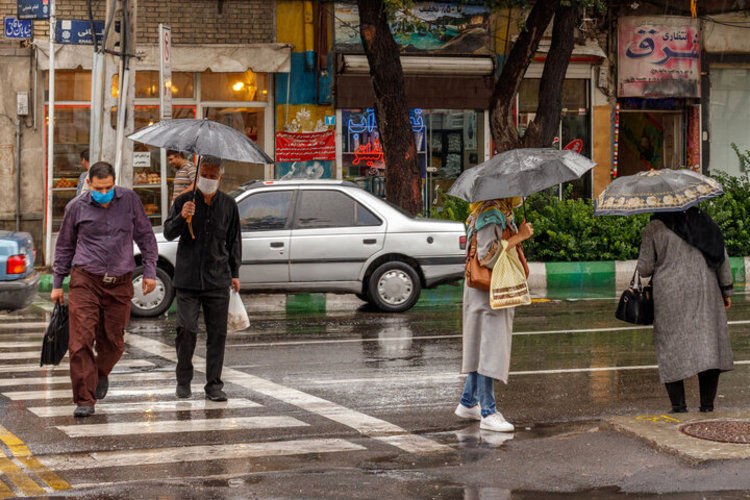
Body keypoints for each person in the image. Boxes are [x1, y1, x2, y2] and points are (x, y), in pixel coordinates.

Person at [51, 161, 158, 418]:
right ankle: (84, 400)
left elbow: (145, 235)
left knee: (114, 343)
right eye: (99, 188)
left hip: (119, 282)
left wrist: (151, 270)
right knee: (80, 342)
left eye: (108, 187)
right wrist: (57, 284)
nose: (104, 192)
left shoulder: (130, 200)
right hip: (85, 280)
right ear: (89, 184)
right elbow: (64, 246)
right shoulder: (76, 207)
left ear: (115, 182)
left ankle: (99, 372)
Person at [636, 207, 734, 413]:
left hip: (670, 296)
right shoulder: (705, 223)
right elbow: (721, 256)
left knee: (671, 346)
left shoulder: (654, 227)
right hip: (706, 291)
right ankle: (707, 405)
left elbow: (644, 268)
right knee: (708, 346)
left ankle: (678, 406)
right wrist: (726, 290)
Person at [163, 156, 241, 401]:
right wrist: (181, 217)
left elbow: (234, 240)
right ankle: (183, 380)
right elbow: (167, 233)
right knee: (185, 330)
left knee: (217, 334)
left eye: (212, 175)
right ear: (198, 176)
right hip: (187, 280)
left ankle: (214, 385)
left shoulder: (229, 205)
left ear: (220, 178)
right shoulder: (184, 201)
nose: (207, 179)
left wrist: (235, 272)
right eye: (203, 175)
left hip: (218, 279)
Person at [455, 198, 533, 432]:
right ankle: (488, 412)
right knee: (489, 347)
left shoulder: (498, 212)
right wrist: (519, 237)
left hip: (488, 292)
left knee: (483, 345)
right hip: (487, 292)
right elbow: (487, 256)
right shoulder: (491, 215)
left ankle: (468, 402)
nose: (521, 196)